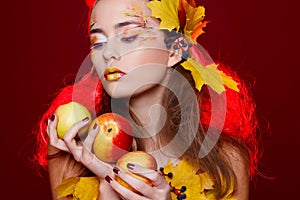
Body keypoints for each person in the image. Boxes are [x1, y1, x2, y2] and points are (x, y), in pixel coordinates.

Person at [34, 0, 260, 199]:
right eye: (98, 42)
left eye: (130, 36)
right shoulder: (72, 158)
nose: (108, 53)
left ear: (173, 50)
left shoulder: (227, 162)